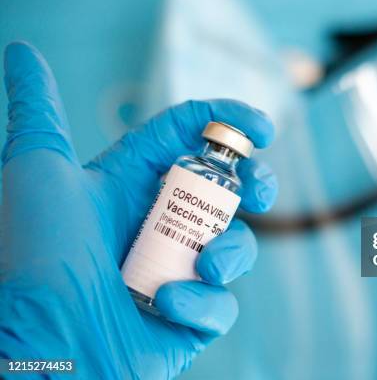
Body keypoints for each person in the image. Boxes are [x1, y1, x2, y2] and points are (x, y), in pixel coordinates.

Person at [0, 41, 278, 379]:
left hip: (143, 304)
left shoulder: (222, 183)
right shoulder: (188, 164)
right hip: (125, 285)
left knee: (213, 259)